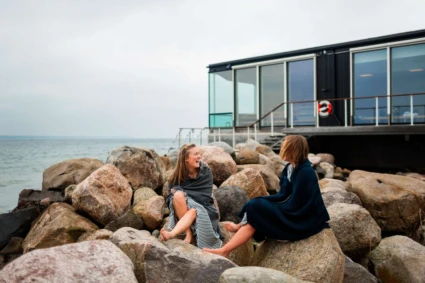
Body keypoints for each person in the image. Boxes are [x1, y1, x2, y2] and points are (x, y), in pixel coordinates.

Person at [203, 135, 330, 257]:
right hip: (292, 207)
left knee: (258, 208)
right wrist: (262, 200)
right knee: (256, 204)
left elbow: (299, 203)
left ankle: (227, 246)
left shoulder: (306, 172)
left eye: (285, 147)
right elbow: (283, 195)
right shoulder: (290, 169)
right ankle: (226, 248)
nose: (282, 149)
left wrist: (270, 209)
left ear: (293, 150)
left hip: (301, 217)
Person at [160, 143, 223, 249]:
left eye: (199, 153)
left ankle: (171, 234)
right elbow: (169, 198)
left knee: (192, 208)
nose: (199, 156)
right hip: (183, 207)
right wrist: (179, 194)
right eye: (195, 154)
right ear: (186, 159)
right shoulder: (177, 176)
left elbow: (204, 197)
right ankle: (189, 233)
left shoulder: (206, 172)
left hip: (205, 207)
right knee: (178, 196)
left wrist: (182, 192)